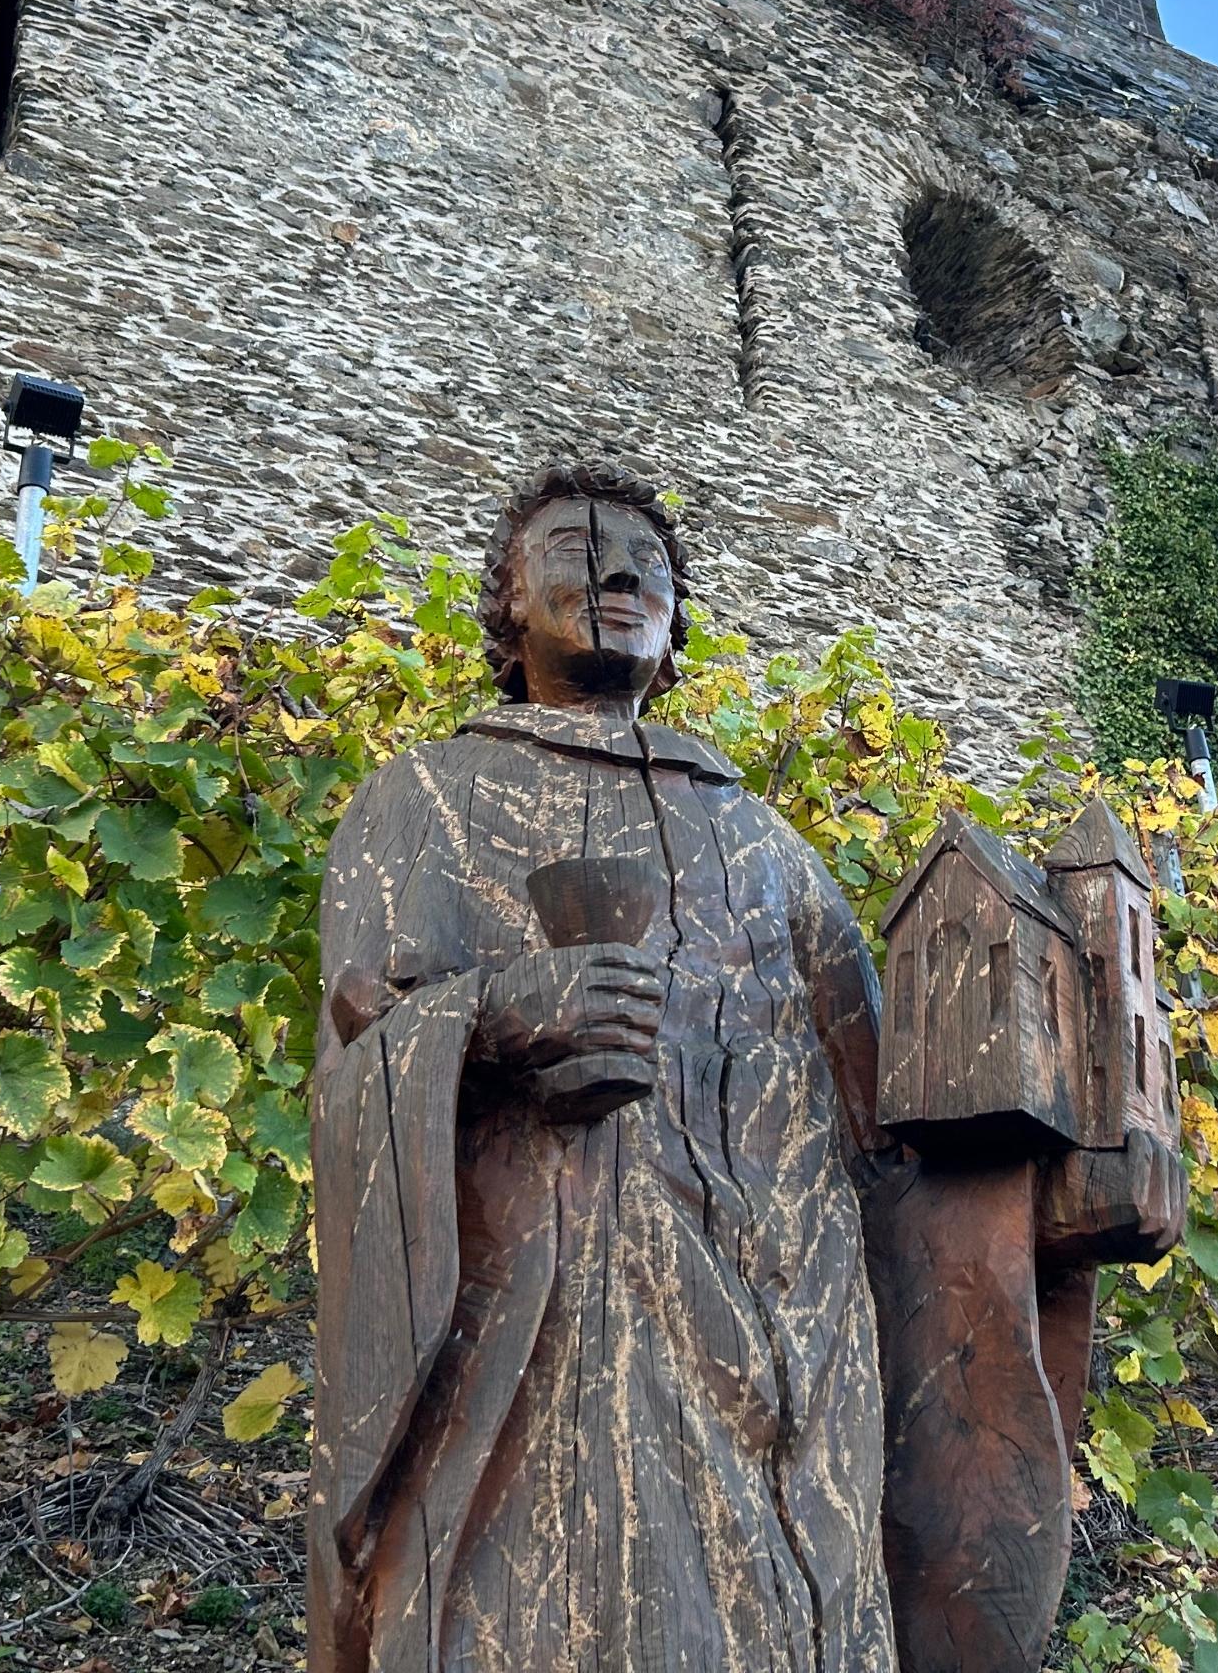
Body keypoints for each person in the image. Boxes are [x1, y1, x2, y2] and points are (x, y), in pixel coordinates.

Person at [308, 462, 898, 1673]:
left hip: (779, 1357)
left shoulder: (761, 840)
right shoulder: (421, 800)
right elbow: (356, 1058)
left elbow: (887, 1115)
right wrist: (489, 1020)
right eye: (579, 548)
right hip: (531, 1364)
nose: (622, 572)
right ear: (506, 607)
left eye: (649, 561)